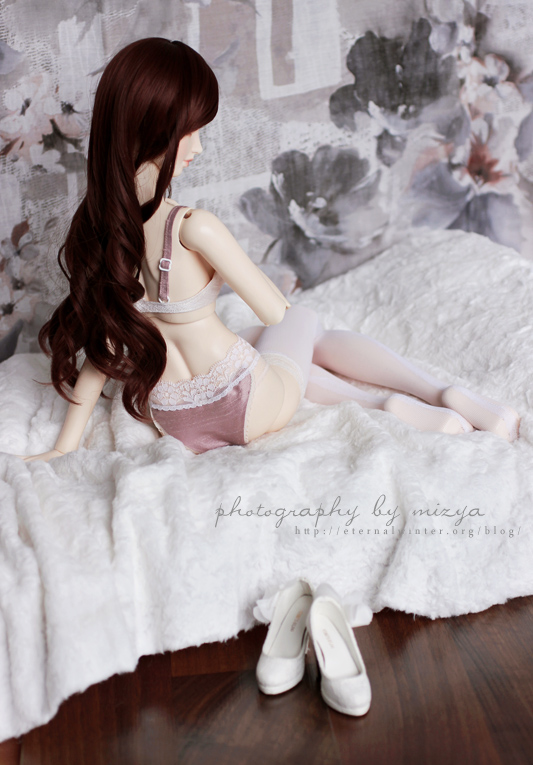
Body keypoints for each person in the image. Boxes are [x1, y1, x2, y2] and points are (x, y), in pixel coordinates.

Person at [19, 38, 520, 462]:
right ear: (152, 129)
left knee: (272, 347)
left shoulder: (100, 228)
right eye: (189, 131)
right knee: (304, 322)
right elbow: (275, 310)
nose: (198, 148)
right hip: (242, 403)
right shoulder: (194, 226)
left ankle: (399, 408)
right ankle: (436, 396)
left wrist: (63, 448)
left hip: (173, 417)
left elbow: (100, 352)